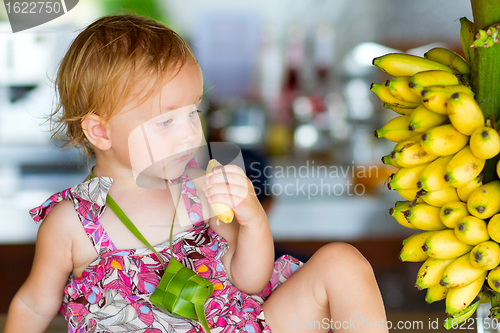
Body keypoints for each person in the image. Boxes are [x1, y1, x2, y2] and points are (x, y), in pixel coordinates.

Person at [4, 14, 388, 333]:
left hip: (238, 324)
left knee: (342, 262)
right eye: (166, 121)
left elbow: (250, 280)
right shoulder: (72, 223)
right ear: (100, 131)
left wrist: (252, 220)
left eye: (194, 112)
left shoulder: (199, 190)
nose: (191, 133)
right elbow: (35, 305)